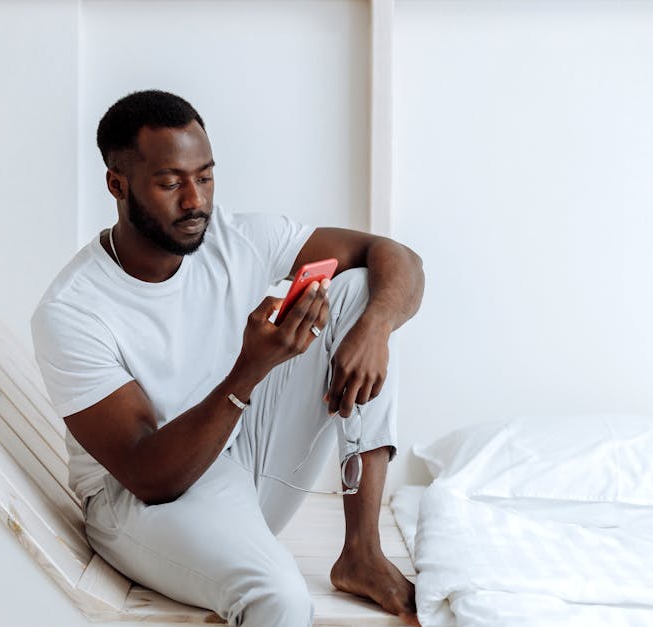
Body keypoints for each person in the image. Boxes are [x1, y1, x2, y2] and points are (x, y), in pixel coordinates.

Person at [31, 90, 424, 626]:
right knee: (281, 601)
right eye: (171, 183)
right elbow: (151, 476)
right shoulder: (73, 310)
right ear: (117, 185)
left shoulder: (236, 238)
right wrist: (251, 368)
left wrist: (376, 328)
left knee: (359, 291)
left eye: (206, 176)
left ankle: (362, 552)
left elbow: (396, 256)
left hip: (246, 451)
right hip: (147, 503)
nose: (196, 200)